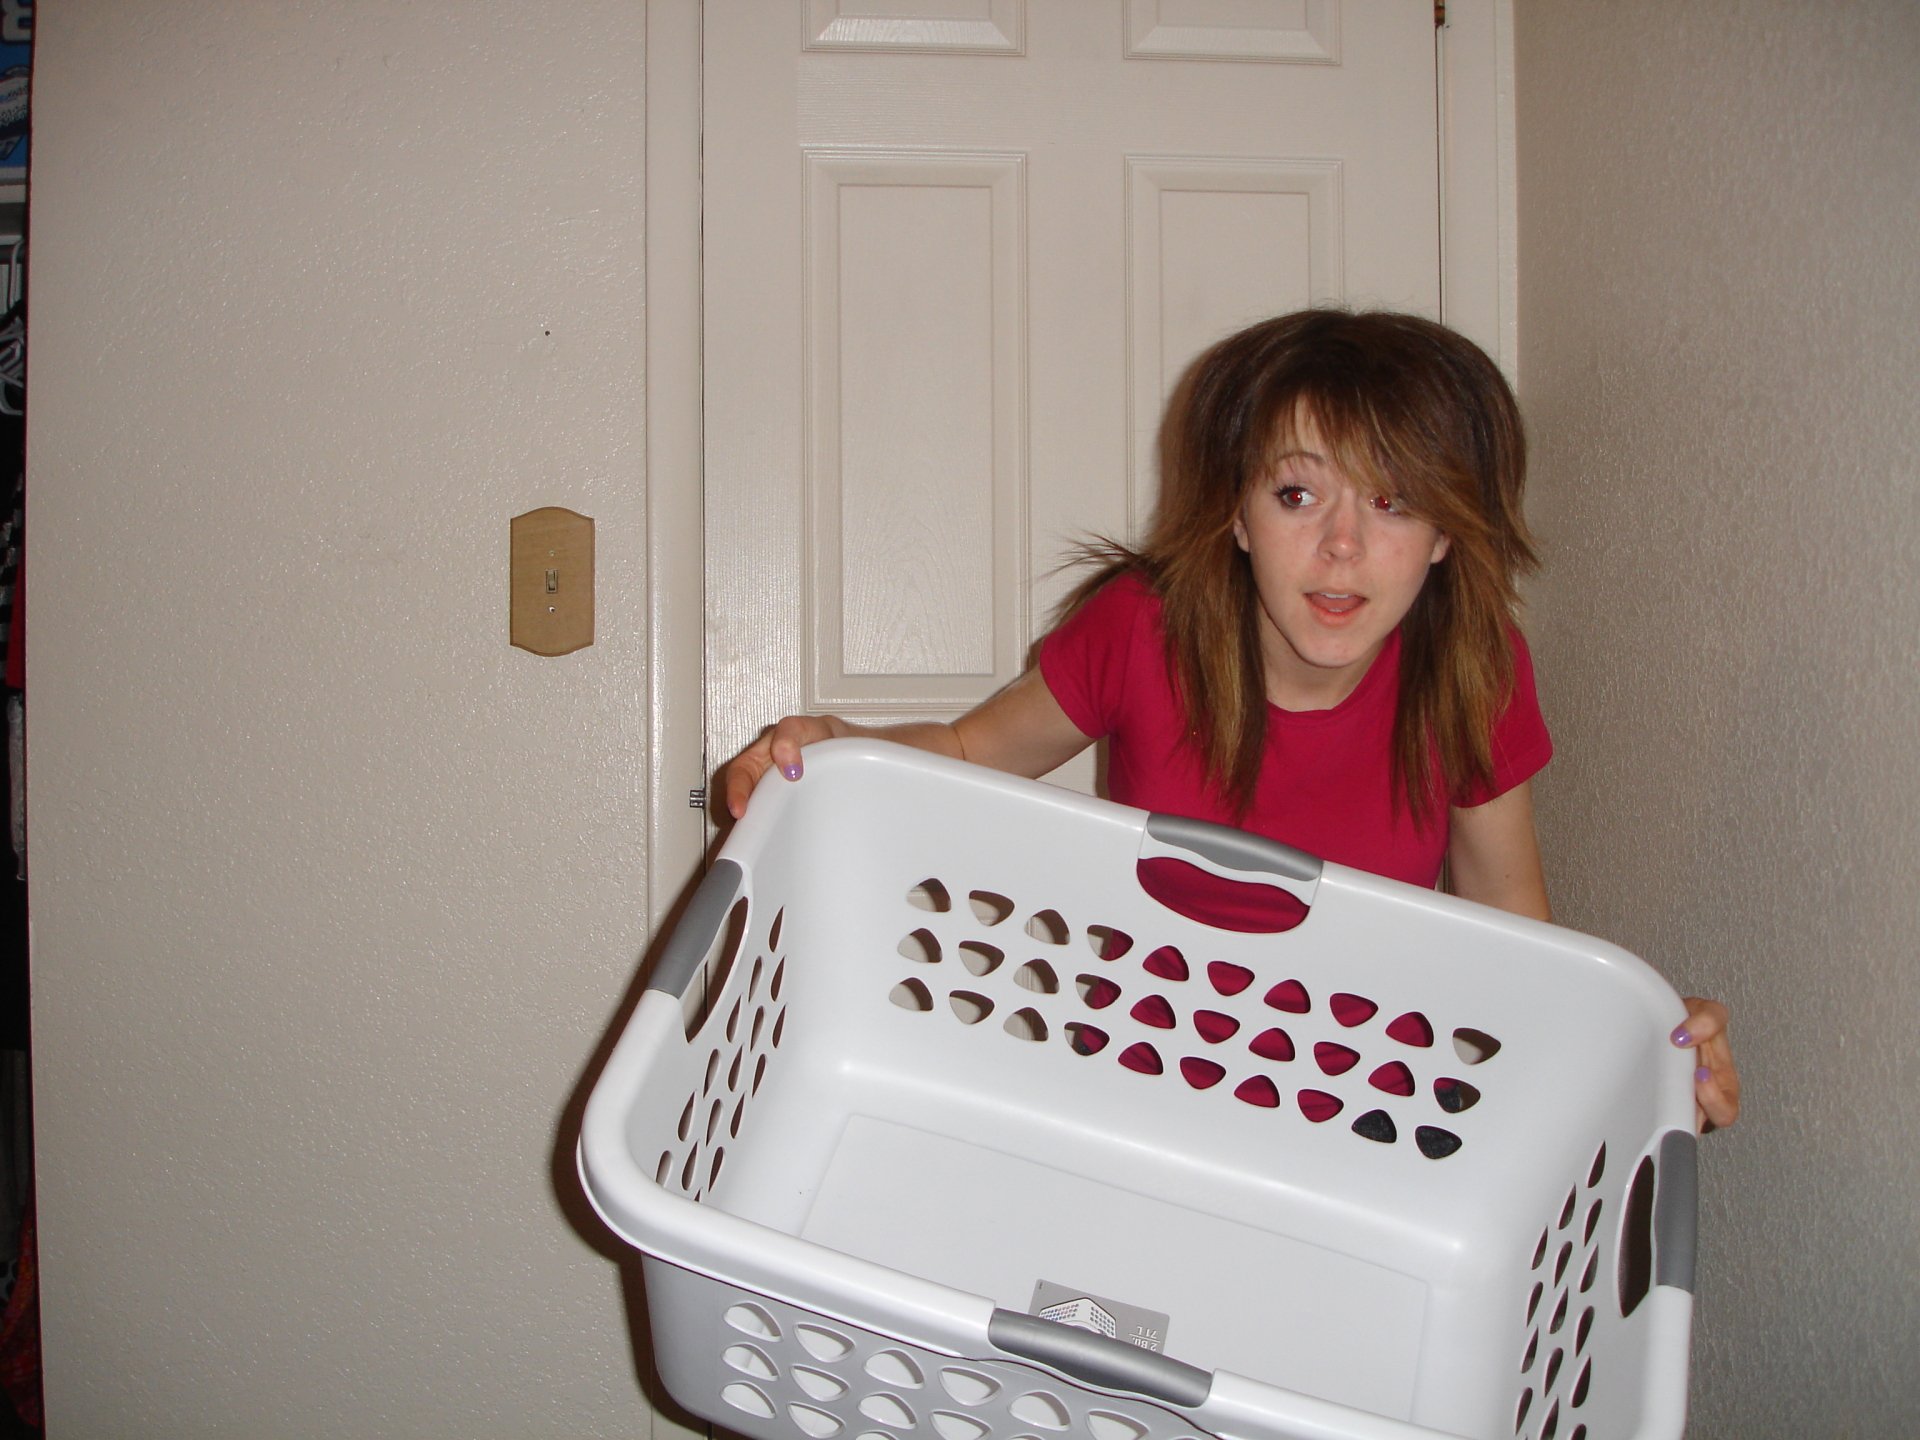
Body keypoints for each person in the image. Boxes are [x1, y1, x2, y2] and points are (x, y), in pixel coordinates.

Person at [721, 308, 1738, 1132]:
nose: (1342, 546)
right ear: (1238, 516)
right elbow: (967, 753)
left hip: (1359, 1116)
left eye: (1393, 502)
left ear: (1443, 537)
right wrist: (826, 748)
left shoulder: (1474, 670)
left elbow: (1520, 936)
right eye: (1298, 493)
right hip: (1124, 1086)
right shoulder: (1141, 630)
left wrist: (1648, 1060)